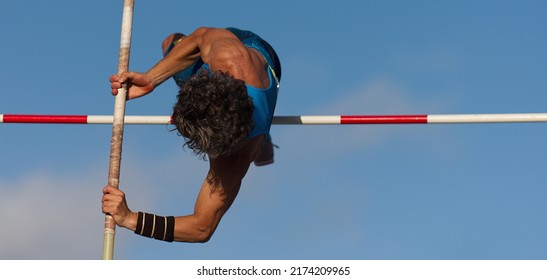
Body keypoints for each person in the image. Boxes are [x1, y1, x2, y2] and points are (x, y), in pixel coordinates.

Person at [101, 27, 281, 243]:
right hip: (243, 51)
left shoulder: (234, 159)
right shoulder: (228, 55)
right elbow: (200, 36)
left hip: (262, 69)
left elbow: (201, 228)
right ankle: (263, 135)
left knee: (257, 145)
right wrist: (150, 79)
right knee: (171, 41)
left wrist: (131, 219)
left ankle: (265, 142)